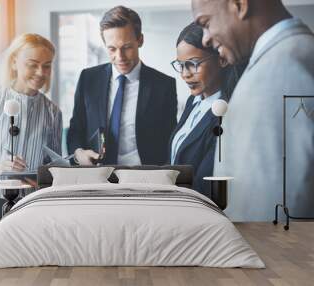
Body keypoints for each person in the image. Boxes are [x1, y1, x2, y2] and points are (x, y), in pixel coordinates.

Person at [192, 0, 314, 220]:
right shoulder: (278, 61)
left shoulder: (285, 68)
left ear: (239, 4)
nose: (205, 38)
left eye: (206, 23)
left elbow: (282, 210)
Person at [0, 33, 62, 222]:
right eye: (33, 64)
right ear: (14, 63)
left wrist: (44, 176)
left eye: (47, 65)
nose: (41, 72)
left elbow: (53, 167)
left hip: (33, 208)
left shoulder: (53, 112)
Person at [67, 6, 177, 166]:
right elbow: (76, 128)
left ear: (140, 40)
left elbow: (170, 140)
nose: (120, 57)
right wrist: (78, 154)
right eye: (112, 49)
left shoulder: (163, 85)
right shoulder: (88, 79)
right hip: (97, 176)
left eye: (127, 47)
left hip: (146, 177)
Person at [169, 22, 245, 197]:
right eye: (181, 65)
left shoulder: (227, 114)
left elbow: (207, 184)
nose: (185, 74)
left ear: (222, 59)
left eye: (193, 64)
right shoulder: (194, 101)